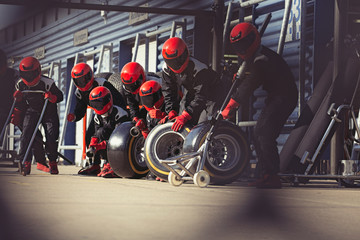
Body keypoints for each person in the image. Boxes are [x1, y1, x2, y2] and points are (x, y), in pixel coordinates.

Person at [221, 22, 298, 188]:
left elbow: (250, 84)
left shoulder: (261, 59)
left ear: (253, 39)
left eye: (244, 44)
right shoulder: (255, 57)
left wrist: (231, 105)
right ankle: (266, 174)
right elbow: (249, 75)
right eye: (238, 46)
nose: (242, 49)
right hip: (276, 96)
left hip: (284, 97)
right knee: (259, 133)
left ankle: (272, 176)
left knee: (264, 133)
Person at [68, 62, 127, 175]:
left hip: (112, 112)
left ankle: (111, 163)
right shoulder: (79, 92)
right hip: (99, 113)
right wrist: (75, 116)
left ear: (90, 75)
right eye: (79, 81)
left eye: (84, 79)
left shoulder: (102, 83)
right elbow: (81, 109)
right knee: (90, 135)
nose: (82, 83)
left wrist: (114, 115)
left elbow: (118, 99)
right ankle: (94, 164)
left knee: (109, 135)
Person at [160, 37, 226, 132]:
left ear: (185, 54)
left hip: (213, 93)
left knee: (209, 124)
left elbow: (201, 96)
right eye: (171, 61)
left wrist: (187, 114)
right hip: (192, 91)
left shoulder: (199, 68)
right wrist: (171, 111)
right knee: (180, 117)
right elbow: (168, 91)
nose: (175, 64)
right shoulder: (166, 69)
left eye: (178, 60)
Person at [13, 56, 63, 175]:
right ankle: (25, 162)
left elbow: (60, 96)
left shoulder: (48, 83)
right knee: (26, 135)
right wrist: (18, 101)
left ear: (38, 71)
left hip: (48, 111)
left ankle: (52, 162)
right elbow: (19, 103)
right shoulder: (20, 84)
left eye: (31, 74)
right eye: (26, 74)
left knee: (51, 136)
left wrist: (51, 97)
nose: (29, 78)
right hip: (32, 110)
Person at [87, 86, 129, 178]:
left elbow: (119, 138)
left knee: (108, 136)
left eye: (100, 103)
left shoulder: (120, 113)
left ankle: (115, 166)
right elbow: (97, 133)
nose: (98, 107)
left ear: (108, 100)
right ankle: (99, 164)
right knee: (99, 132)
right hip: (108, 141)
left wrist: (101, 145)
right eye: (95, 104)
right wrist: (93, 143)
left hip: (124, 145)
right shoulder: (97, 116)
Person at [120, 62, 162, 137]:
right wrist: (135, 117)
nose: (131, 88)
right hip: (145, 107)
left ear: (141, 78)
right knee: (135, 121)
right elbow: (132, 104)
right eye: (128, 86)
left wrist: (163, 114)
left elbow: (170, 99)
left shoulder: (158, 82)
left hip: (160, 107)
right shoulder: (126, 88)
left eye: (133, 85)